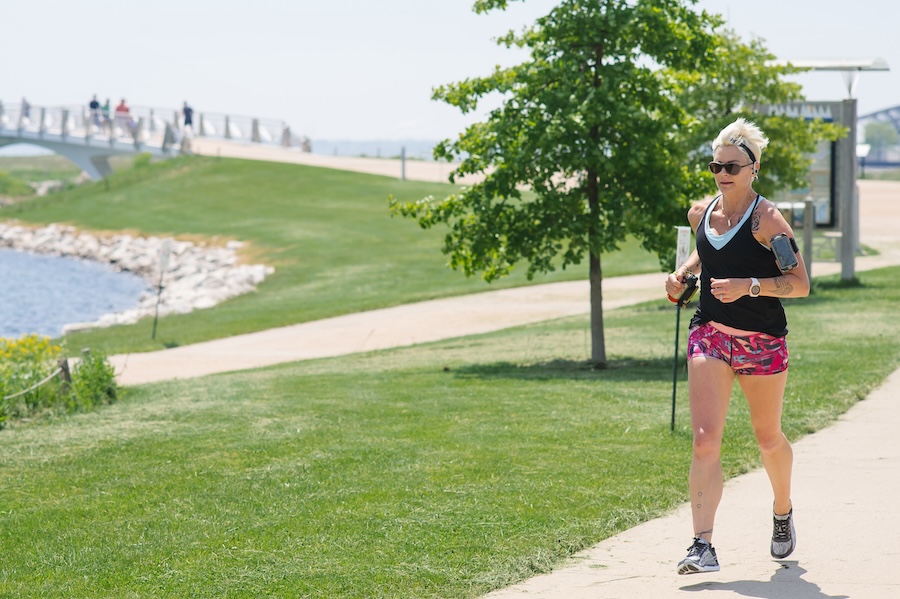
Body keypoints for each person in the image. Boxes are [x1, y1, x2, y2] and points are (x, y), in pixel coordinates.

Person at [665, 117, 810, 575]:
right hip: (711, 334)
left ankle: (783, 509)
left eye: (732, 165)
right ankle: (702, 545)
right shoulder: (700, 213)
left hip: (762, 343)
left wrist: (750, 286)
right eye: (715, 165)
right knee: (705, 442)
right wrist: (683, 277)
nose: (722, 172)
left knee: (768, 438)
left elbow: (800, 284)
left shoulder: (768, 220)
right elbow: (705, 253)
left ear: (754, 168)